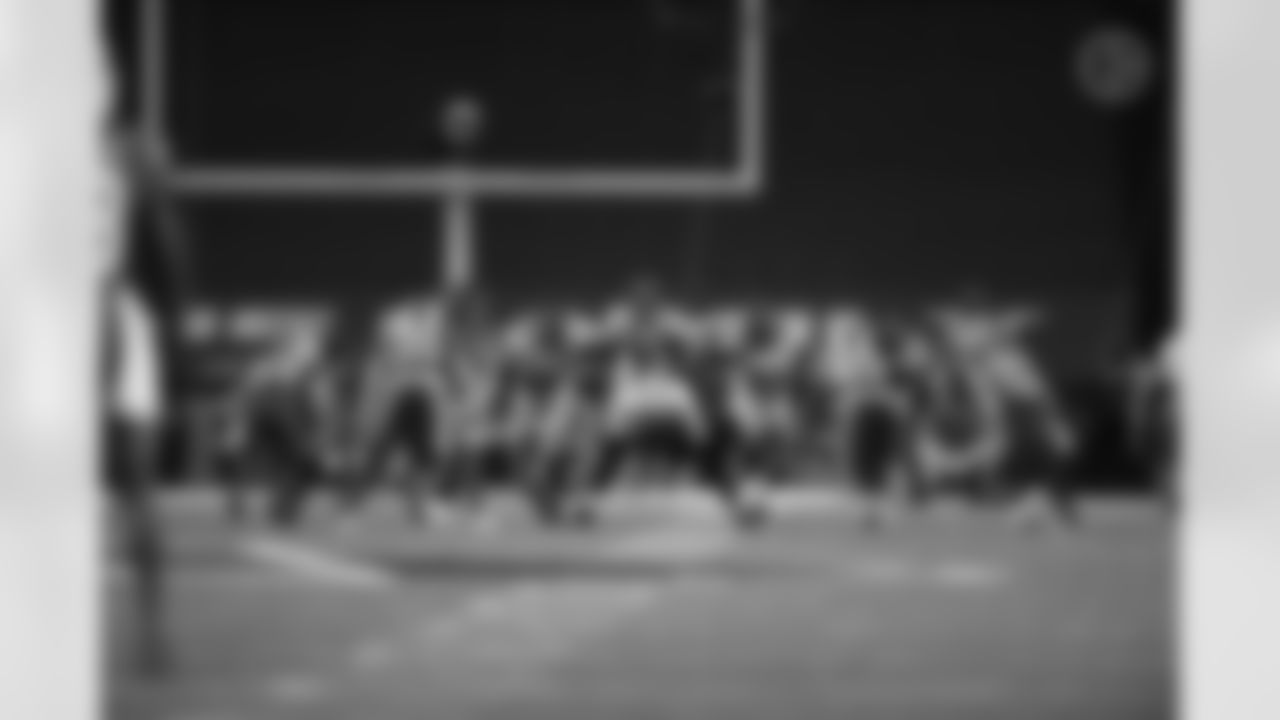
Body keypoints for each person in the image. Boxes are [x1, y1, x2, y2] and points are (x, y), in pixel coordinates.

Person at [101, 125, 188, 676]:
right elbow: (171, 301)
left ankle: (152, 632)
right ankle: (152, 633)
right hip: (126, 342)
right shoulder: (152, 219)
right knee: (137, 492)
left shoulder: (145, 222)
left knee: (134, 494)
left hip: (117, 342)